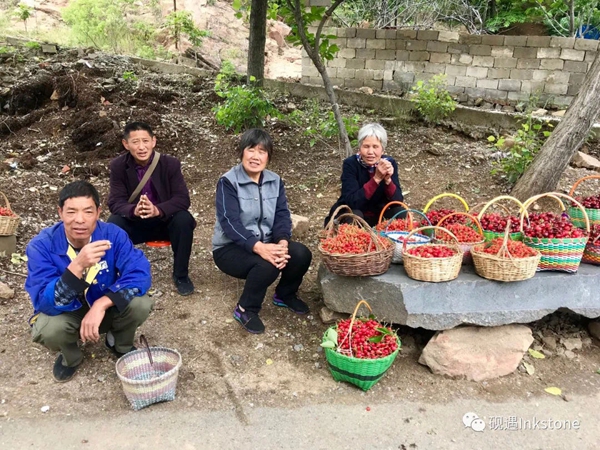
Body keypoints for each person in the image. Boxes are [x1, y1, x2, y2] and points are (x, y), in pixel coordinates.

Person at [25, 181, 154, 382]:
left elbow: (140, 273)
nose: (79, 220)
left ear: (98, 212)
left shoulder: (113, 235)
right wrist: (77, 266)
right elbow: (44, 302)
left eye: (87, 211)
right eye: (71, 212)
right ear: (60, 213)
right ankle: (71, 357)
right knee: (48, 329)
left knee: (141, 302)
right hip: (68, 312)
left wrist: (101, 305)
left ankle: (118, 343)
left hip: (104, 305)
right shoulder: (41, 246)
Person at [212, 128, 312, 334]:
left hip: (267, 241)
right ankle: (245, 308)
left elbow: (282, 215)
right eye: (251, 150)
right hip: (230, 248)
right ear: (242, 152)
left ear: (268, 157)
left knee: (301, 254)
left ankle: (284, 294)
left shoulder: (275, 181)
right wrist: (260, 248)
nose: (255, 156)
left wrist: (282, 244)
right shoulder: (228, 182)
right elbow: (229, 222)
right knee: (267, 265)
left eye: (262, 151)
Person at [107, 121, 196, 296]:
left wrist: (157, 209)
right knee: (113, 223)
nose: (141, 147)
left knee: (184, 219)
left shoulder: (170, 164)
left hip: (165, 222)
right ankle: (117, 275)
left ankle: (181, 275)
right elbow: (115, 202)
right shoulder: (118, 166)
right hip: (136, 223)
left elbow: (182, 199)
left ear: (153, 141)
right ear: (126, 144)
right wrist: (134, 210)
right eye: (135, 142)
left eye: (145, 141)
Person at [325, 123, 405, 227]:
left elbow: (398, 202)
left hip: (377, 216)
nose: (370, 152)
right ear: (360, 147)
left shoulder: (389, 164)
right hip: (352, 214)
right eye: (366, 146)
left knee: (401, 212)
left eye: (375, 147)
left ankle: (387, 240)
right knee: (355, 215)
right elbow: (352, 202)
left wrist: (388, 181)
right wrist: (376, 179)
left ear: (382, 149)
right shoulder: (350, 164)